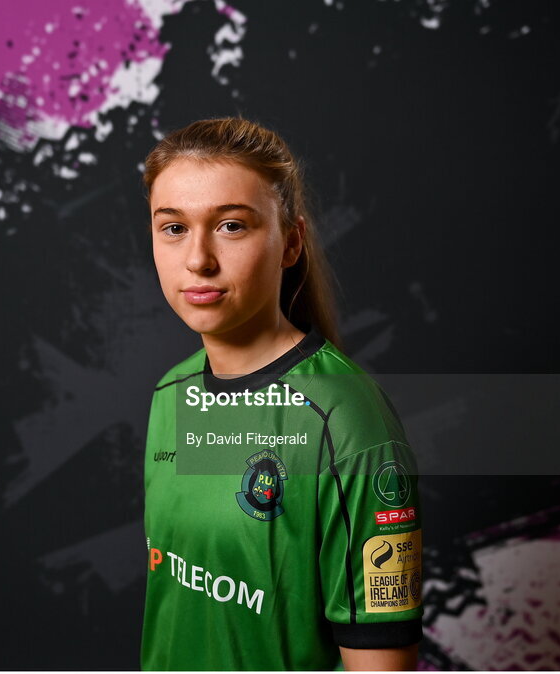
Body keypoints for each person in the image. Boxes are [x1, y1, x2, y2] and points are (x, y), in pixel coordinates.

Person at [140, 118, 423, 671]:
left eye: (231, 226)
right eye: (173, 228)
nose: (198, 258)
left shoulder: (345, 419)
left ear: (290, 241)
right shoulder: (171, 393)